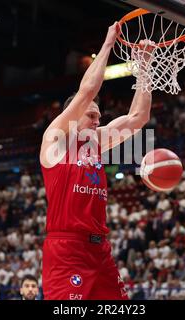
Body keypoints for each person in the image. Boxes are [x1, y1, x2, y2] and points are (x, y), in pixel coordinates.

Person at [39, 22, 153, 300]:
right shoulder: (55, 140)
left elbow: (138, 118)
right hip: (67, 249)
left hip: (100, 249)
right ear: (72, 115)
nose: (98, 120)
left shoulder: (96, 143)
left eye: (99, 116)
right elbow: (87, 91)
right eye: (91, 115)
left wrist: (145, 68)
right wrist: (108, 44)